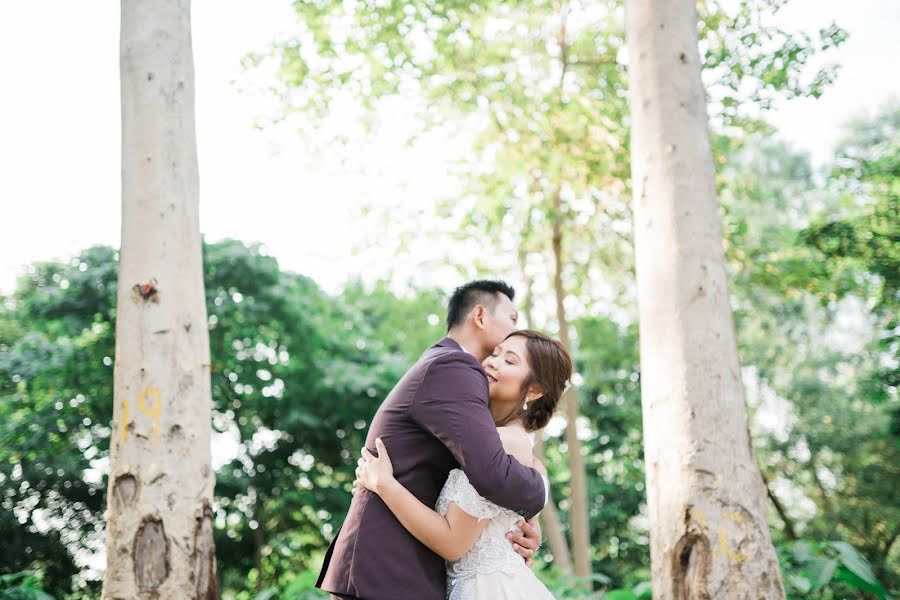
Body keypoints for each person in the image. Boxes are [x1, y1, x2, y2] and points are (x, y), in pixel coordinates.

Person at [316, 280, 548, 600]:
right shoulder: (455, 366)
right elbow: (491, 472)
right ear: (480, 316)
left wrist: (523, 520)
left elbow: (494, 462)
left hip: (401, 566)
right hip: (385, 566)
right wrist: (539, 495)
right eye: (512, 318)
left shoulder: (451, 369)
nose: (515, 329)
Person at [355, 330, 571, 599]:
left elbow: (452, 542)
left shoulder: (505, 442)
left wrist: (385, 484)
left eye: (510, 361)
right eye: (495, 353)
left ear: (535, 390)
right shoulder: (497, 442)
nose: (493, 361)